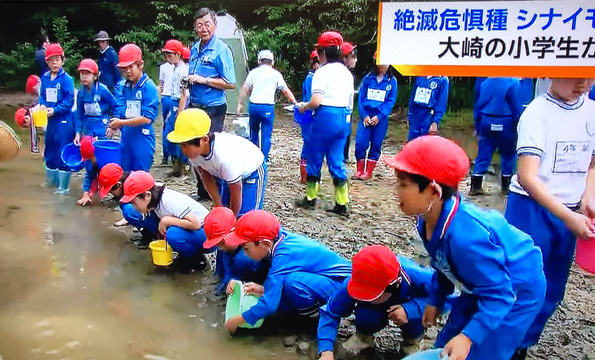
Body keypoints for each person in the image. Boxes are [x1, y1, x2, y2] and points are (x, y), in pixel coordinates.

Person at [383, 135, 546, 360]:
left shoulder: (466, 239)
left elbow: (500, 294)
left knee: (484, 349)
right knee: (447, 342)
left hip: (515, 289)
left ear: (433, 191)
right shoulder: (427, 221)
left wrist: (468, 337)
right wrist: (435, 299)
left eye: (403, 184)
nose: (396, 191)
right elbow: (443, 266)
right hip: (479, 283)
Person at [504, 78, 595, 359]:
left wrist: (588, 196)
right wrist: (568, 216)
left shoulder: (591, 110)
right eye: (574, 75)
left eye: (589, 75)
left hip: (569, 211)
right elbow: (527, 176)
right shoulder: (537, 112)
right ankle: (499, 342)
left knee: (552, 287)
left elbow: (592, 161)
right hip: (531, 209)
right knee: (519, 282)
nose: (582, 83)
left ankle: (522, 343)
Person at [222, 210, 352, 332]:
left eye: (246, 248)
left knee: (292, 282)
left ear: (265, 244)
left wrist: (237, 320)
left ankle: (314, 321)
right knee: (286, 283)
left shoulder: (283, 256)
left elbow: (269, 305)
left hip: (342, 287)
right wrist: (263, 290)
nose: (245, 254)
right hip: (325, 280)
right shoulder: (279, 239)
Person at [318, 246, 433, 360]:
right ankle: (363, 339)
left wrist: (411, 310)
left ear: (396, 284)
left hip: (409, 306)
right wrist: (325, 351)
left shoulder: (417, 275)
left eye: (372, 295)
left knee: (417, 318)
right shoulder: (354, 282)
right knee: (366, 314)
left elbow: (446, 297)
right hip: (374, 312)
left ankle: (411, 343)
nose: (368, 299)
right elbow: (330, 312)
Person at [167, 109, 266, 217]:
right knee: (222, 211)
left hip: (252, 171)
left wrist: (232, 217)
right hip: (227, 176)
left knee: (247, 217)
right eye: (181, 145)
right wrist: (217, 204)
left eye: (186, 145)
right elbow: (205, 176)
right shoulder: (194, 154)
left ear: (204, 140)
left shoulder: (224, 157)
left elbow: (236, 188)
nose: (183, 150)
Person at [297, 31, 354, 217]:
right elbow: (349, 103)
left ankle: (311, 198)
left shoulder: (321, 73)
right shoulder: (347, 73)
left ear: (323, 53)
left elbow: (316, 101)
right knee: (337, 160)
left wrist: (304, 107)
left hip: (324, 117)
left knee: (315, 157)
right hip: (343, 118)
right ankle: (342, 202)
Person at [120, 171, 212, 272]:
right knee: (136, 213)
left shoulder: (169, 200)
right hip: (190, 229)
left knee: (172, 235)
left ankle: (196, 259)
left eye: (134, 202)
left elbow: (196, 224)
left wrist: (166, 220)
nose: (134, 206)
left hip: (207, 234)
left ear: (147, 195)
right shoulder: (153, 194)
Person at [237, 49, 297, 161]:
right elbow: (285, 90)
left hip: (254, 106)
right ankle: (264, 159)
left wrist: (240, 103)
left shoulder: (253, 73)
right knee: (266, 134)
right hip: (267, 107)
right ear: (272, 62)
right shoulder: (276, 74)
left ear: (259, 60)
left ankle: (253, 157)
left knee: (253, 132)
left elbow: (245, 89)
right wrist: (294, 102)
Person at [469, 77, 524, 196]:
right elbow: (516, 106)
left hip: (486, 119)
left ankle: (475, 185)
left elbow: (478, 104)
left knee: (484, 152)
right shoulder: (513, 82)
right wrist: (519, 123)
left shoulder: (486, 81)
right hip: (505, 121)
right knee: (508, 154)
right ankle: (506, 186)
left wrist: (478, 125)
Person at [109, 44, 159, 172]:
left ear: (140, 65)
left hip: (142, 138)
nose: (128, 72)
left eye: (131, 67)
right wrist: (115, 125)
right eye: (125, 68)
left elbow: (148, 118)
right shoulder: (123, 86)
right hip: (126, 137)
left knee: (140, 176)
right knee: (124, 173)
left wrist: (122, 122)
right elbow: (120, 109)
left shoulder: (148, 87)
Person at [187, 7, 236, 133]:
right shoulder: (194, 48)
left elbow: (230, 83)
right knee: (193, 143)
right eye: (199, 25)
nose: (204, 29)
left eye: (207, 24)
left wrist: (204, 80)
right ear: (195, 27)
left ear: (215, 25)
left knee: (210, 146)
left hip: (213, 108)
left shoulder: (221, 50)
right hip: (194, 106)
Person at [203, 207, 270, 295]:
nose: (221, 248)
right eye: (217, 244)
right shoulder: (226, 244)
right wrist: (232, 280)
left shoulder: (256, 236)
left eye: (222, 243)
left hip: (264, 272)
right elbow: (228, 268)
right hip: (243, 264)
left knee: (242, 260)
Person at [352, 58, 397, 181]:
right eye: (381, 63)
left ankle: (368, 171)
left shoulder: (392, 81)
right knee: (361, 142)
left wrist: (380, 116)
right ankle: (359, 169)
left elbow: (390, 101)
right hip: (366, 116)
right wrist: (364, 115)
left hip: (380, 118)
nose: (383, 66)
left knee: (376, 144)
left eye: (386, 63)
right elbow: (361, 99)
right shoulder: (368, 79)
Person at [39, 43, 75, 194]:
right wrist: (41, 105)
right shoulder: (45, 78)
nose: (54, 63)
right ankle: (51, 182)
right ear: (47, 62)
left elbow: (69, 101)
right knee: (50, 149)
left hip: (64, 120)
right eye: (51, 60)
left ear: (62, 60)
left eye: (57, 59)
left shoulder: (67, 79)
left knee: (62, 149)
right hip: (50, 120)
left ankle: (63, 187)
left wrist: (55, 109)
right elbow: (42, 95)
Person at [98, 163, 159, 248]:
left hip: (159, 217)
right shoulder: (129, 182)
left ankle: (155, 235)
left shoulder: (134, 185)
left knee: (128, 210)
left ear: (119, 185)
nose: (110, 194)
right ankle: (148, 233)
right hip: (153, 215)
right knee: (127, 208)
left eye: (111, 190)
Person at [74, 59, 118, 143]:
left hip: (102, 125)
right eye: (82, 73)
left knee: (102, 151)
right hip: (88, 127)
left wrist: (113, 126)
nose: (84, 76)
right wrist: (78, 133)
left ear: (95, 76)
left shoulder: (102, 89)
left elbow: (115, 106)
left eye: (87, 73)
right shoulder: (81, 92)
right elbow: (79, 115)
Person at [161, 39, 188, 175]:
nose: (167, 57)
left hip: (178, 102)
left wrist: (179, 112)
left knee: (176, 133)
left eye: (170, 54)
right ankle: (176, 165)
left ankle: (181, 166)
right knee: (170, 132)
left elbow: (184, 94)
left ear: (178, 54)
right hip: (173, 101)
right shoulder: (175, 69)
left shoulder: (182, 71)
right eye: (166, 54)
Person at [299, 50, 320, 184]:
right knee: (309, 144)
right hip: (309, 115)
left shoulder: (314, 77)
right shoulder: (311, 78)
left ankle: (308, 174)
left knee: (312, 144)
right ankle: (305, 175)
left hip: (311, 115)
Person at [407, 76, 449, 141]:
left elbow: (441, 103)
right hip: (416, 114)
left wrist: (435, 122)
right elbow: (412, 97)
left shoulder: (443, 79)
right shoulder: (420, 76)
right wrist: (410, 115)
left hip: (429, 115)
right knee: (412, 142)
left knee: (426, 143)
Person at [159, 43, 176, 166]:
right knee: (169, 126)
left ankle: (167, 156)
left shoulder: (164, 67)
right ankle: (169, 155)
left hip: (168, 97)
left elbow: (161, 84)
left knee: (167, 125)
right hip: (170, 97)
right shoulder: (181, 67)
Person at [341, 42, 357, 164]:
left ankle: (344, 156)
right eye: (353, 56)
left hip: (348, 109)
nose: (355, 60)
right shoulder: (341, 73)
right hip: (341, 109)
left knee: (347, 133)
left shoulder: (348, 74)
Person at [77, 136, 100, 206]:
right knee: (92, 192)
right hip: (97, 172)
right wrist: (85, 194)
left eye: (91, 157)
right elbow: (88, 176)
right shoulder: (90, 163)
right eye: (88, 158)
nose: (90, 160)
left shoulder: (108, 159)